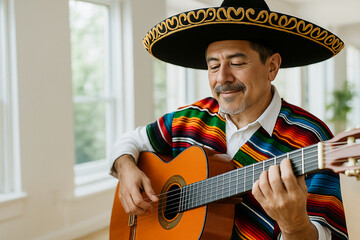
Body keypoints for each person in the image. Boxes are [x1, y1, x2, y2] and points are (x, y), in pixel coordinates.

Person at [110, 0, 348, 239]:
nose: (222, 77)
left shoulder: (311, 138)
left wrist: (295, 226)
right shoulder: (191, 118)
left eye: (237, 63)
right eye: (213, 66)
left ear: (272, 67)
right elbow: (130, 140)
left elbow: (329, 234)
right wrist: (126, 167)